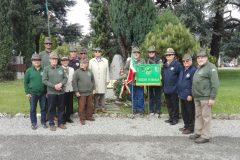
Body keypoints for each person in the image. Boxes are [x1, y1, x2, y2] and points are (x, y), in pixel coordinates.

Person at [189, 51, 219, 144]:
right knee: (198, 115)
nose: (200, 59)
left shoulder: (211, 68)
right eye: (198, 58)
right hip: (197, 97)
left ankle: (205, 136)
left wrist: (212, 98)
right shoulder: (199, 67)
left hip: (206, 97)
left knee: (206, 117)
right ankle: (198, 132)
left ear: (206, 58)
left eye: (202, 57)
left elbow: (215, 84)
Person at [42, 52, 68, 131]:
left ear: (57, 60)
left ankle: (60, 123)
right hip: (51, 93)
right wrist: (54, 86)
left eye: (56, 59)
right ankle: (51, 123)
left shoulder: (61, 68)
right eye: (53, 59)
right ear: (50, 60)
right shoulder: (46, 69)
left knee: (61, 108)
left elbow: (65, 78)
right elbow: (44, 80)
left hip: (61, 92)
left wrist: (61, 84)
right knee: (51, 109)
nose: (54, 60)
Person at [24, 54, 47, 130]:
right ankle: (33, 123)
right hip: (33, 93)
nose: (36, 61)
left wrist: (47, 91)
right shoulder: (29, 71)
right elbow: (25, 82)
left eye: (38, 60)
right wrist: (27, 92)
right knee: (33, 109)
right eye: (34, 60)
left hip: (43, 93)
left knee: (43, 108)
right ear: (32, 61)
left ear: (40, 61)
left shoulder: (44, 70)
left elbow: (47, 81)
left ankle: (43, 122)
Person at [177, 54, 196, 134]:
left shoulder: (193, 70)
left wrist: (190, 94)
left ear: (191, 61)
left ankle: (191, 128)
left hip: (188, 95)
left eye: (187, 61)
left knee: (190, 112)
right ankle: (186, 125)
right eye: (184, 61)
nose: (185, 62)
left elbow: (194, 84)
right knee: (184, 112)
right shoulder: (183, 70)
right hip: (182, 95)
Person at [162, 48, 182, 125]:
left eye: (170, 55)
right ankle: (171, 117)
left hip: (174, 89)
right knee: (169, 104)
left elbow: (181, 76)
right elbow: (163, 77)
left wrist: (178, 87)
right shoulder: (164, 65)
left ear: (173, 55)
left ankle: (175, 119)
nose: (168, 56)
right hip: (166, 88)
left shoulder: (177, 65)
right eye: (167, 55)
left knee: (175, 105)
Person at [72, 58, 95, 125]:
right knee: (81, 106)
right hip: (81, 93)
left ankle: (89, 116)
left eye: (83, 63)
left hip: (90, 92)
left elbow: (93, 80)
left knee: (89, 106)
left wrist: (94, 89)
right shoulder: (77, 72)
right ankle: (82, 118)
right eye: (81, 63)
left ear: (87, 64)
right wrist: (76, 91)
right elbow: (74, 82)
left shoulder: (90, 71)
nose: (81, 64)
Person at [124, 47, 145, 114]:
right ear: (132, 53)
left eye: (137, 52)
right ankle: (134, 109)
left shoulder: (142, 61)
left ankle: (141, 109)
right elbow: (125, 69)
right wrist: (131, 72)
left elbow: (145, 69)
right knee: (133, 96)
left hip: (140, 81)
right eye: (134, 52)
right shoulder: (129, 61)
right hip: (132, 81)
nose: (136, 54)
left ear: (139, 53)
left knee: (140, 96)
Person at [89, 47, 109, 113]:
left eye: (99, 51)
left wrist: (107, 80)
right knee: (95, 94)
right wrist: (90, 81)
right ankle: (96, 107)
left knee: (102, 93)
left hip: (103, 79)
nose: (97, 53)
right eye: (96, 52)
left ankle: (103, 107)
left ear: (101, 52)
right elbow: (90, 72)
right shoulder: (91, 61)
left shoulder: (105, 60)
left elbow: (107, 71)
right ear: (94, 53)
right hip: (94, 80)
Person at [145, 46, 162, 115]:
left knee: (158, 96)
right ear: (148, 53)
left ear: (154, 52)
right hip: (149, 81)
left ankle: (158, 110)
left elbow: (161, 66)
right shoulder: (146, 60)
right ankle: (151, 110)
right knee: (150, 96)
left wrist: (153, 64)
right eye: (150, 52)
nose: (151, 53)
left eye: (152, 52)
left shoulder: (159, 59)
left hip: (157, 80)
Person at [61, 56, 74, 123]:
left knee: (69, 104)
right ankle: (62, 118)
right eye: (63, 60)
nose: (65, 61)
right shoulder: (59, 69)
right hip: (62, 90)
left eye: (66, 60)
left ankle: (68, 117)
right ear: (61, 62)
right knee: (62, 104)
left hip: (70, 89)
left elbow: (73, 79)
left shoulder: (72, 69)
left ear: (68, 61)